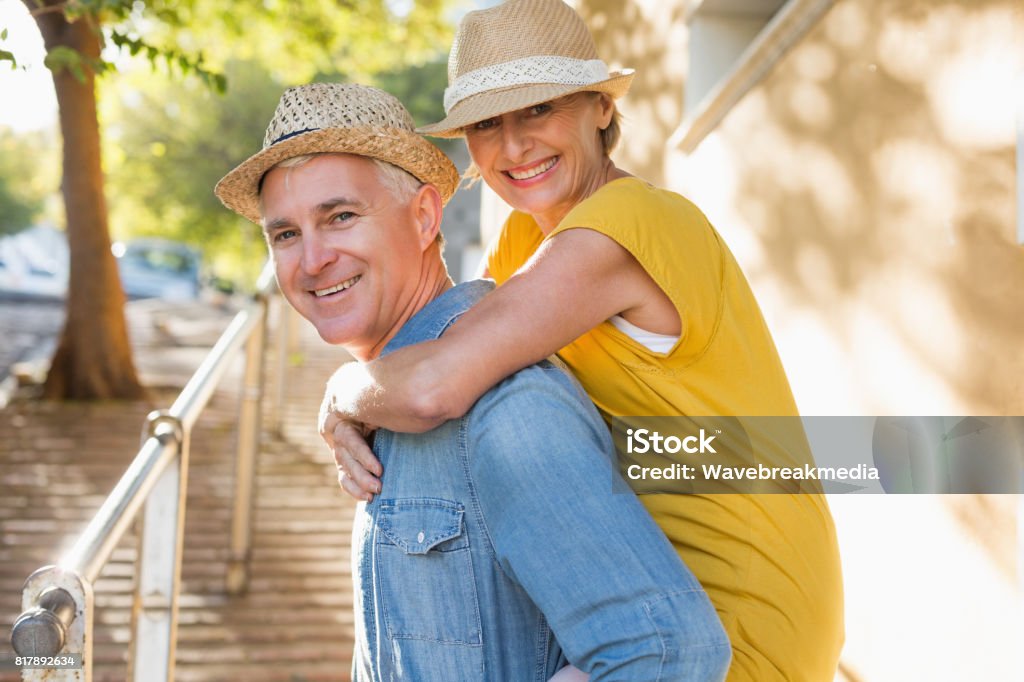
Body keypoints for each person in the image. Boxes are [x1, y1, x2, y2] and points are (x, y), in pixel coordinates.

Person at [317, 1, 845, 680]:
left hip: (728, 616)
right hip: (633, 586)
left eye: (539, 110)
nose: (513, 147)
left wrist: (341, 393)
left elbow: (433, 384)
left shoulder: (628, 225)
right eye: (486, 123)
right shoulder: (523, 240)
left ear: (599, 106)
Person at [215, 82, 731, 681]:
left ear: (426, 216)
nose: (311, 260)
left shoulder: (507, 411)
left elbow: (669, 652)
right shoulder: (391, 395)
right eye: (285, 235)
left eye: (342, 217)